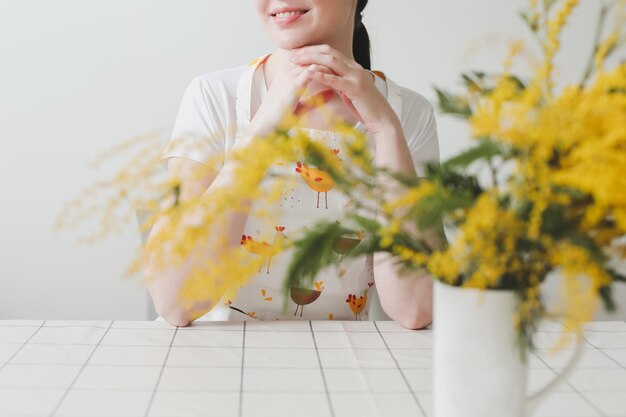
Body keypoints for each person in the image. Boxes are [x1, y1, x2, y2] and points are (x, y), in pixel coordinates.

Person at [147, 0, 439, 328]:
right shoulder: (214, 97)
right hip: (212, 361)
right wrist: (262, 128)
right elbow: (175, 302)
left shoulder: (406, 113)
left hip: (339, 364)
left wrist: (386, 130)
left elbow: (415, 308)